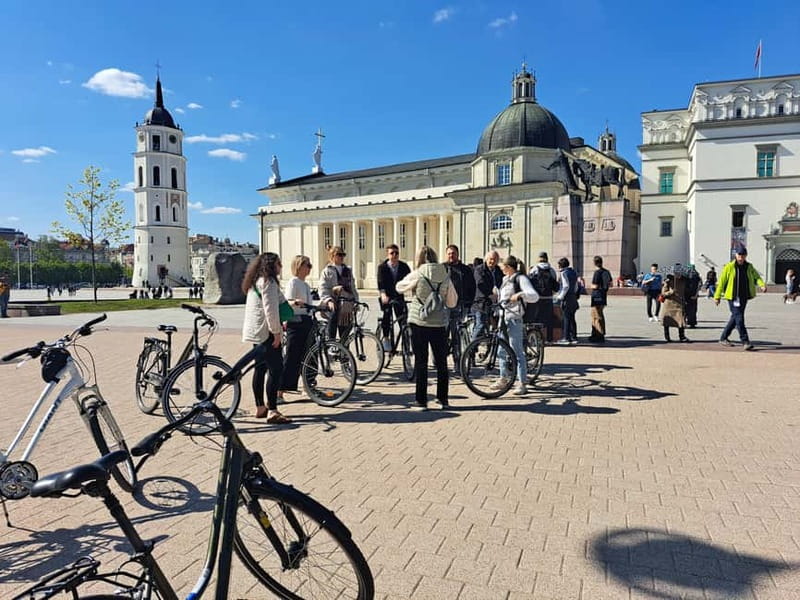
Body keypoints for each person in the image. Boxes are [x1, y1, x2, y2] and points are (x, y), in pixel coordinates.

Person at [396, 246, 457, 410]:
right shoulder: (445, 273)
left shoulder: (419, 273)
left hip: (419, 321)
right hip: (439, 322)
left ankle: (421, 401)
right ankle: (443, 399)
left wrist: (414, 288)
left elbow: (399, 287)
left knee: (421, 361)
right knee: (442, 362)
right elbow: (452, 301)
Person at [241, 252, 291, 424]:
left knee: (260, 368)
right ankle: (272, 410)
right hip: (266, 332)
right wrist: (276, 332)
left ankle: (260, 407)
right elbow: (270, 310)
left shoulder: (255, 281)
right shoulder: (269, 282)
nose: (280, 267)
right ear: (271, 265)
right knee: (276, 369)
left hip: (256, 333)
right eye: (278, 263)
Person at [491, 256, 538, 395]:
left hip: (515, 318)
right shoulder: (505, 279)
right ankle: (503, 378)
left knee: (517, 351)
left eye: (503, 267)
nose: (501, 269)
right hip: (503, 318)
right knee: (501, 350)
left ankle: (522, 383)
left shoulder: (520, 279)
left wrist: (520, 295)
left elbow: (534, 296)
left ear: (509, 267)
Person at [714, 245, 766, 351]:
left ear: (746, 256)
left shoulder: (749, 266)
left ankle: (723, 337)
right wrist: (717, 296)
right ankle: (745, 341)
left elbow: (756, 277)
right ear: (736, 255)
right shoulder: (729, 267)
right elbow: (722, 282)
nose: (741, 257)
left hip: (743, 296)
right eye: (739, 255)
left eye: (743, 255)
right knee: (739, 318)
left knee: (735, 317)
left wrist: (762, 285)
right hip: (732, 296)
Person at [279, 255, 315, 401]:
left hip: (306, 320)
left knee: (309, 355)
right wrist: (295, 302)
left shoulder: (305, 285)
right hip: (295, 321)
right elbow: (287, 301)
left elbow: (309, 305)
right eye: (307, 265)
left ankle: (307, 386)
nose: (310, 268)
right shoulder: (293, 282)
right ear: (299, 267)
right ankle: (280, 391)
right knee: (292, 357)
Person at [320, 245, 359, 342]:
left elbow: (352, 287)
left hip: (346, 304)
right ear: (332, 256)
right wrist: (328, 300)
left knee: (345, 333)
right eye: (339, 255)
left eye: (343, 255)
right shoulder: (327, 271)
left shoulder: (347, 270)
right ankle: (331, 344)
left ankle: (344, 349)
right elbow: (323, 288)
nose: (342, 257)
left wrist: (356, 301)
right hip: (334, 303)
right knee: (332, 324)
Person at [377, 244, 411, 351]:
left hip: (399, 296)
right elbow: (381, 283)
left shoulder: (404, 266)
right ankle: (386, 338)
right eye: (392, 253)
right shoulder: (382, 267)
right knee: (387, 314)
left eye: (397, 253)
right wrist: (383, 295)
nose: (395, 255)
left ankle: (405, 338)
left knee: (403, 317)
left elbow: (410, 280)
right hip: (387, 296)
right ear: (387, 255)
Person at [528, 252, 559, 343]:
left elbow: (530, 282)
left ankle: (537, 339)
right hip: (548, 298)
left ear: (538, 258)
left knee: (536, 319)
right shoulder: (551, 270)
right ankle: (549, 339)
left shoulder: (534, 269)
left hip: (538, 298)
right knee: (549, 320)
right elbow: (555, 284)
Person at [472, 250, 502, 340]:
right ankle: (471, 347)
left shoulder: (498, 270)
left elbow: (501, 282)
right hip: (481, 302)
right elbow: (480, 284)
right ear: (486, 259)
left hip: (494, 303)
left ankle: (490, 345)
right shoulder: (479, 269)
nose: (492, 261)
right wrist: (490, 294)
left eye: (495, 259)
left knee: (495, 327)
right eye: (491, 259)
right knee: (480, 325)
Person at [554, 257, 579, 345]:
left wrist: (560, 297)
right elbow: (576, 285)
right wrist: (574, 293)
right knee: (572, 317)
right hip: (573, 297)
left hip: (566, 297)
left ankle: (566, 337)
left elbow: (565, 286)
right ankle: (574, 337)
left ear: (560, 265)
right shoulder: (573, 272)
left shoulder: (563, 273)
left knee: (566, 317)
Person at [589, 256, 613, 343]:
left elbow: (594, 285)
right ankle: (595, 333)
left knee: (596, 316)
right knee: (598, 315)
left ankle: (599, 334)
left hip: (596, 296)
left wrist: (591, 286)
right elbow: (610, 284)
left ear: (594, 263)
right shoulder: (607, 272)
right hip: (603, 296)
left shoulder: (597, 273)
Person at [661, 273, 690, 343]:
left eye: (679, 274)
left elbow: (687, 291)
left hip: (679, 304)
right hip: (669, 304)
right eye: (676, 274)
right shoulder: (668, 281)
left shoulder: (684, 281)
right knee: (667, 321)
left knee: (681, 320)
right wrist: (671, 292)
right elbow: (663, 293)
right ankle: (667, 337)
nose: (678, 275)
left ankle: (682, 336)